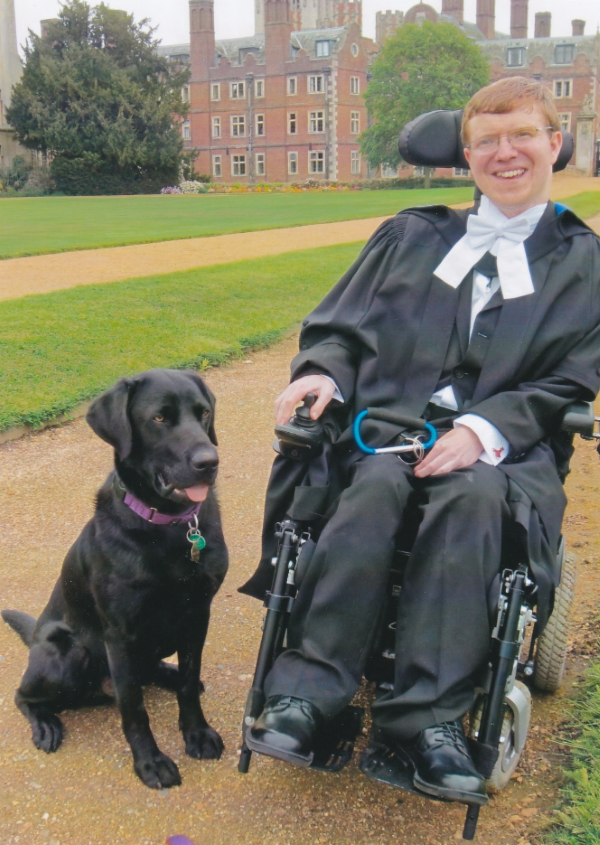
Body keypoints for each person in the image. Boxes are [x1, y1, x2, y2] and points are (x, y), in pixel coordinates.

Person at [241, 77, 600, 804]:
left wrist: (482, 429)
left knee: (469, 498)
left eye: (523, 135)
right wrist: (323, 374)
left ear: (554, 144)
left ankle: (425, 723)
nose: (507, 152)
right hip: (389, 430)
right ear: (464, 154)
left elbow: (571, 381)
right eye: (488, 140)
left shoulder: (585, 261)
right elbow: (343, 327)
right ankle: (308, 695)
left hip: (502, 453)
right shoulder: (410, 235)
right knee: (371, 482)